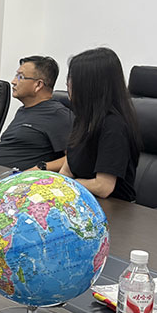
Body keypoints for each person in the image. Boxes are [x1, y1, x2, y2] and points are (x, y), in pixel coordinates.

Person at [52, 47, 141, 201]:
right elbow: (67, 171)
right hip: (82, 199)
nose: (68, 84)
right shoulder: (84, 118)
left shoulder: (114, 126)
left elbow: (103, 187)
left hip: (113, 208)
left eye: (73, 79)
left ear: (90, 85)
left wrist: (66, 184)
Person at [0, 56, 72, 169]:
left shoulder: (58, 114)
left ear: (38, 85)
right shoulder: (24, 110)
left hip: (9, 177)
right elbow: (13, 146)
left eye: (20, 77)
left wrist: (39, 168)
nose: (13, 82)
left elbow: (73, 158)